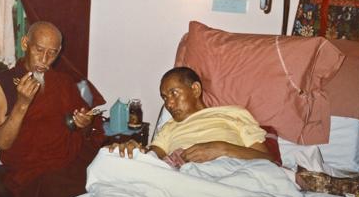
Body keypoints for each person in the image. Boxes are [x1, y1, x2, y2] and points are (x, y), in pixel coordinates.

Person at [0, 21, 105, 197]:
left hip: (70, 160)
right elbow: (2, 142)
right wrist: (22, 104)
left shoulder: (63, 82)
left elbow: (84, 127)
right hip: (31, 171)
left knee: (105, 190)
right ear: (26, 43)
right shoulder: (4, 83)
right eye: (39, 50)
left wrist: (83, 124)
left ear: (59, 52)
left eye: (52, 53)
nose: (44, 59)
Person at [109, 66, 273, 165]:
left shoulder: (233, 114)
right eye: (164, 97)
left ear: (195, 89)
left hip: (231, 173)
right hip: (185, 178)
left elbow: (267, 161)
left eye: (174, 93)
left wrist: (222, 149)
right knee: (104, 160)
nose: (169, 104)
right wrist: (134, 150)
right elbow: (153, 156)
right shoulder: (169, 127)